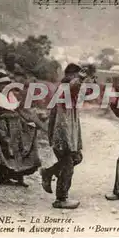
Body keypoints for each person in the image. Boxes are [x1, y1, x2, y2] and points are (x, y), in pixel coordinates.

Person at [39, 63, 91, 209]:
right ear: (70, 77)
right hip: (63, 136)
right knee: (68, 164)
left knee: (76, 158)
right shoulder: (66, 90)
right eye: (75, 76)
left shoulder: (65, 91)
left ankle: (48, 172)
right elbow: (75, 86)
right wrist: (80, 79)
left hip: (64, 135)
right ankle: (61, 199)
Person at [0, 69, 41, 186]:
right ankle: (0, 176)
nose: (4, 86)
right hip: (1, 126)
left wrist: (27, 122)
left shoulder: (9, 96)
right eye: (2, 84)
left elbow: (17, 110)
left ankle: (19, 176)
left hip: (15, 126)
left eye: (6, 84)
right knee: (2, 150)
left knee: (19, 149)